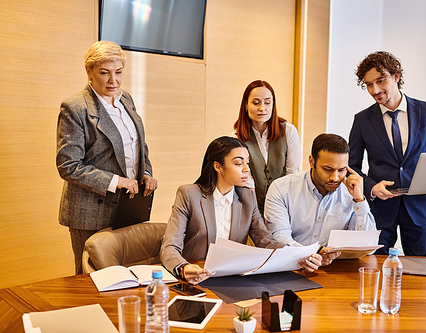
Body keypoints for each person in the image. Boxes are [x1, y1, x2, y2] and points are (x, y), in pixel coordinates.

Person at [348, 51, 426, 256]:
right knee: (374, 269)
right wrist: (372, 188)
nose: (375, 90)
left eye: (380, 80)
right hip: (380, 210)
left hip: (419, 209)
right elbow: (352, 167)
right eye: (368, 84)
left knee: (422, 274)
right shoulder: (362, 120)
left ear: (396, 76)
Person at [160, 136, 324, 285]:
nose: (247, 169)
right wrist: (184, 268)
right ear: (218, 166)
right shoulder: (189, 194)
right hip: (195, 279)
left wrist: (299, 257)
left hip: (232, 279)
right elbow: (170, 247)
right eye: (238, 163)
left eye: (247, 162)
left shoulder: (247, 197)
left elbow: (266, 241)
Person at [56, 41, 158, 274]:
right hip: (90, 211)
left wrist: (146, 172)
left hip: (128, 206)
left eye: (118, 72)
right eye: (105, 73)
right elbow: (68, 165)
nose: (113, 80)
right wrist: (117, 181)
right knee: (92, 281)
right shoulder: (75, 108)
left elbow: (139, 145)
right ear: (89, 72)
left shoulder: (126, 100)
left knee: (126, 276)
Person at [265, 133, 376, 254]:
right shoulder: (281, 189)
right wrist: (315, 253)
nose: (335, 178)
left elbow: (368, 248)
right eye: (328, 169)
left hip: (336, 266)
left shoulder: (351, 193)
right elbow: (278, 237)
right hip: (292, 262)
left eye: (342, 170)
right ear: (312, 162)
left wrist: (360, 201)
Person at [234, 80, 301, 214]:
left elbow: (293, 172)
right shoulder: (236, 137)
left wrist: (281, 207)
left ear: (273, 105)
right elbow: (245, 179)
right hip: (252, 204)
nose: (262, 108)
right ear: (246, 105)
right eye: (256, 102)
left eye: (267, 102)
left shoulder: (288, 131)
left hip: (284, 203)